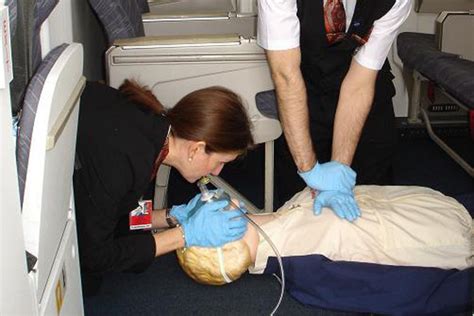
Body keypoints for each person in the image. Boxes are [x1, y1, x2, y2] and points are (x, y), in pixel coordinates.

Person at [74, 80, 253, 295]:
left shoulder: (151, 127)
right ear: (196, 149)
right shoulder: (124, 161)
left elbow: (116, 211)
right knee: (90, 284)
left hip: (85, 201)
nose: (217, 172)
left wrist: (173, 216)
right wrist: (185, 235)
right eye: (219, 162)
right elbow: (94, 257)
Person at [257, 0, 412, 221]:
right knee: (298, 202)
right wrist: (309, 168)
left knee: (370, 199)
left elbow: (359, 83)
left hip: (363, 89)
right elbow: (286, 76)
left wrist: (340, 169)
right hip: (303, 86)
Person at [176, 185, 473, 285]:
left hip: (430, 209)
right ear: (226, 239)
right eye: (209, 210)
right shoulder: (299, 254)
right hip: (443, 232)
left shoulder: (280, 222)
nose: (210, 198)